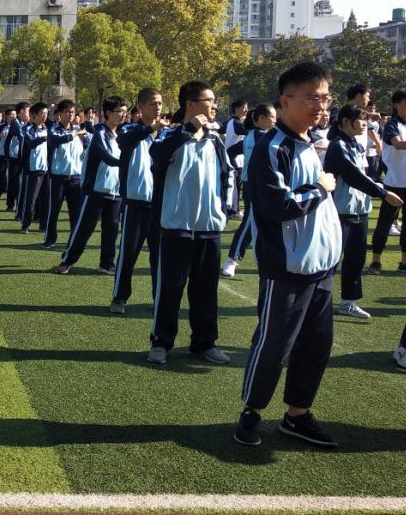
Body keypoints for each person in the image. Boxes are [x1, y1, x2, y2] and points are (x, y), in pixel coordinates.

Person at [235, 62, 343, 448]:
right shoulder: (271, 148)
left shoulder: (309, 143)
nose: (321, 105)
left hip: (321, 268)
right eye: (312, 97)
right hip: (288, 267)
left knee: (316, 345)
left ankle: (297, 414)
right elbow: (277, 206)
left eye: (325, 97)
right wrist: (320, 189)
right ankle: (251, 412)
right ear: (286, 100)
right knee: (273, 343)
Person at [147, 82, 233, 365]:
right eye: (209, 100)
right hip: (176, 227)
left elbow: (225, 175)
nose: (214, 106)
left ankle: (204, 343)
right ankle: (161, 342)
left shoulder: (215, 140)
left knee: (206, 291)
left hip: (209, 228)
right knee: (169, 290)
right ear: (191, 104)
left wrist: (223, 209)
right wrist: (186, 132)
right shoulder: (169, 136)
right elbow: (157, 159)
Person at [324, 104, 403, 320]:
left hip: (359, 210)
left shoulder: (357, 146)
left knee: (356, 258)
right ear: (345, 122)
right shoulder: (337, 146)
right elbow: (353, 176)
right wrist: (384, 193)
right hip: (339, 211)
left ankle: (348, 302)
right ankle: (318, 300)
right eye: (361, 119)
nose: (365, 124)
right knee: (331, 259)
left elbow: (367, 175)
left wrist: (379, 190)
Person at [54, 96, 126, 275]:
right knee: (83, 229)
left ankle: (107, 264)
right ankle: (67, 260)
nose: (124, 115)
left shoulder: (123, 135)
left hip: (115, 192)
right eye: (120, 111)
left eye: (125, 111)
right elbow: (108, 158)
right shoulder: (100, 134)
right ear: (108, 114)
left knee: (111, 230)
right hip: (96, 191)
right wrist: (127, 161)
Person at [110, 88, 166, 314]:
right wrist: (149, 129)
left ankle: (158, 298)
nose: (158, 107)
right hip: (135, 202)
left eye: (160, 103)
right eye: (153, 103)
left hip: (160, 204)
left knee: (159, 256)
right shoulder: (129, 128)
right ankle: (119, 297)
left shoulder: (165, 133)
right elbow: (125, 142)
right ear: (140, 107)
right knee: (129, 252)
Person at [368, 90, 406, 275]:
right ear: (396, 105)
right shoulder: (392, 125)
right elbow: (398, 144)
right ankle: (376, 261)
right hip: (395, 182)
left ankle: (405, 261)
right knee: (385, 223)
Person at [222, 103, 277, 279]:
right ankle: (232, 259)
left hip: (257, 184)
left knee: (264, 223)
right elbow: (230, 151)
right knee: (249, 222)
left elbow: (230, 150)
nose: (275, 120)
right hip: (255, 185)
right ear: (261, 119)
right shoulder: (262, 137)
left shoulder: (251, 135)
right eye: (272, 117)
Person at [42, 100, 87, 249]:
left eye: (72, 112)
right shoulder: (54, 129)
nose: (70, 115)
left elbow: (88, 147)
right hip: (58, 178)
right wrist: (74, 134)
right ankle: (50, 239)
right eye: (67, 112)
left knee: (75, 213)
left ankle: (73, 241)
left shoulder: (79, 131)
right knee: (53, 210)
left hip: (75, 178)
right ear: (59, 114)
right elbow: (56, 140)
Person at [18, 103, 49, 234]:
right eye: (42, 114)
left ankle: (43, 225)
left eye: (46, 114)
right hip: (33, 169)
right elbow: (31, 142)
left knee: (45, 199)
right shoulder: (28, 129)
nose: (45, 116)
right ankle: (25, 224)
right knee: (30, 199)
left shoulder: (48, 128)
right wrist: (44, 138)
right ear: (34, 115)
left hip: (46, 168)